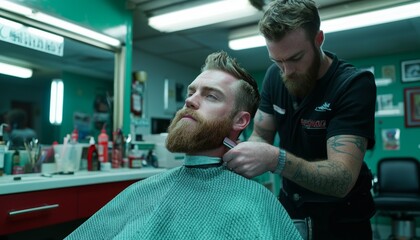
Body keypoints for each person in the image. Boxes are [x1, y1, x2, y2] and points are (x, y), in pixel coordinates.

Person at [65, 51, 302, 240]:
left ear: (240, 121)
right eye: (192, 92)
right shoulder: (146, 189)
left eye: (211, 96)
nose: (190, 100)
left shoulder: (256, 201)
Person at [222, 1, 377, 239]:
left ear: (318, 40)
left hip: (342, 217)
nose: (287, 71)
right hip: (292, 210)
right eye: (277, 61)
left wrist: (275, 159)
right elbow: (262, 135)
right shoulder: (276, 76)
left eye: (295, 58)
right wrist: (243, 155)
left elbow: (342, 178)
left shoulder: (353, 85)